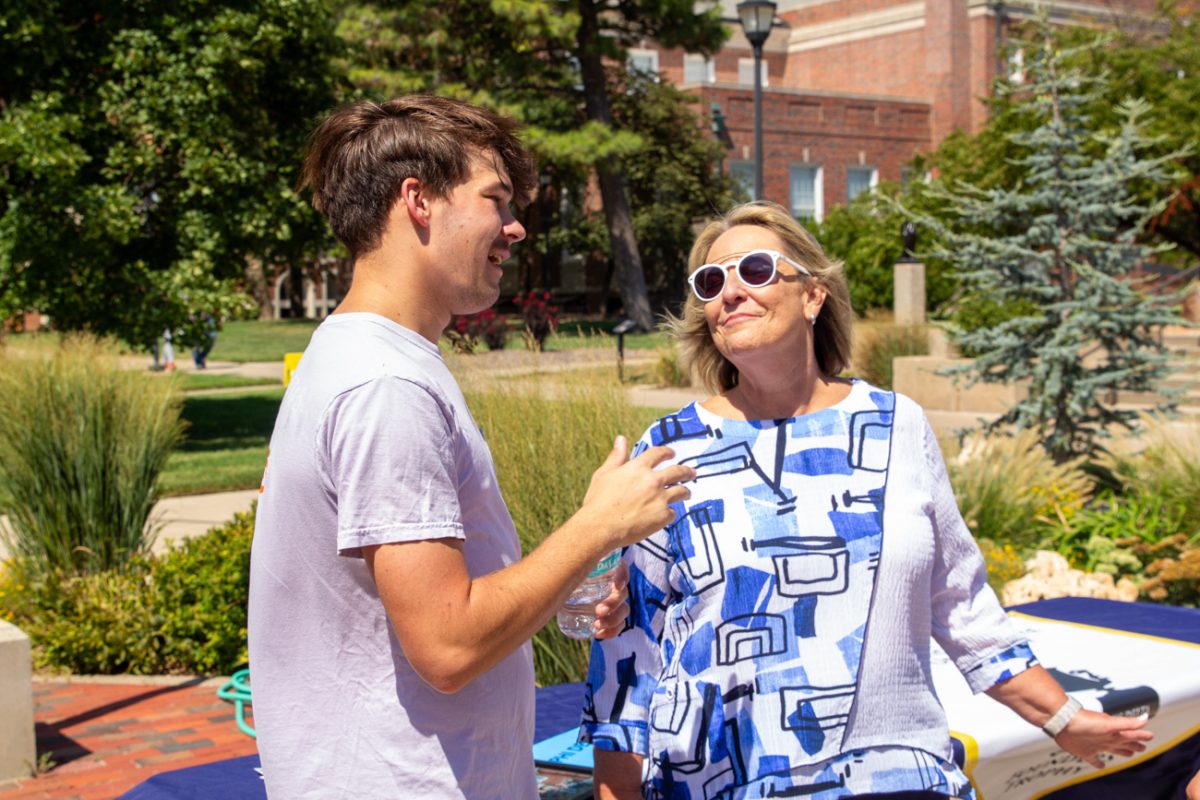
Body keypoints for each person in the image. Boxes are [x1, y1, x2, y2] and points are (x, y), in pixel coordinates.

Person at [579, 201, 1152, 799]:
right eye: (712, 281)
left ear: (813, 295)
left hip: (896, 777)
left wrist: (1062, 719)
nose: (730, 292)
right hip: (728, 784)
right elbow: (627, 651)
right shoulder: (668, 449)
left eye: (754, 269)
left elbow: (960, 602)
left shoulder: (895, 425)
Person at [246, 96, 695, 798]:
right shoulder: (384, 385)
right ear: (417, 199)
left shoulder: (366, 359)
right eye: (496, 199)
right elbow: (448, 645)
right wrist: (597, 528)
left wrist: (562, 582)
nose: (515, 228)